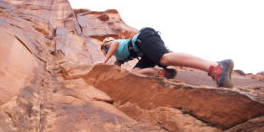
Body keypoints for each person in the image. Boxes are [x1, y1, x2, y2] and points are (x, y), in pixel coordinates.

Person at [100, 27, 234, 88]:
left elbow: (115, 43)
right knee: (135, 73)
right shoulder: (120, 57)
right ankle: (164, 73)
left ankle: (216, 67)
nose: (105, 52)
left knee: (164, 58)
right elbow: (116, 67)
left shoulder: (108, 45)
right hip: (144, 51)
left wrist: (104, 60)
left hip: (143, 39)